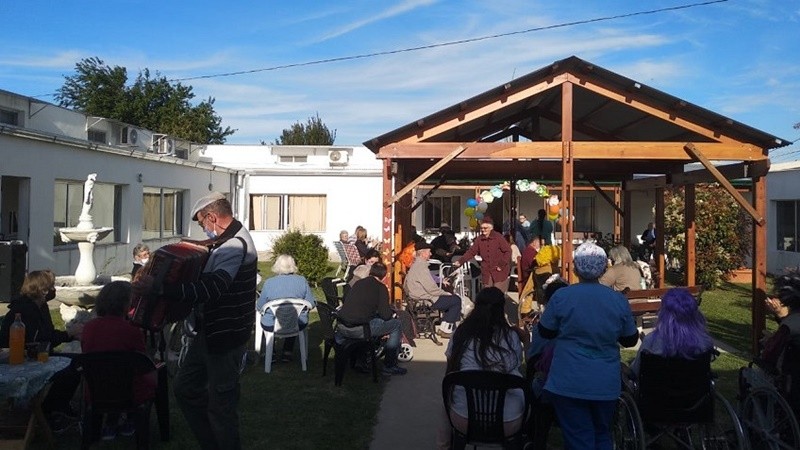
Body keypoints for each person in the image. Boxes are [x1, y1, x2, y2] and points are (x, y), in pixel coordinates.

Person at [133, 191, 257, 450]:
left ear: (212, 217)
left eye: (202, 223)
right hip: (209, 333)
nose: (203, 229)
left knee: (221, 407)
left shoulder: (235, 245)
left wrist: (160, 288)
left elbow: (213, 288)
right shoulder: (227, 239)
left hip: (225, 337)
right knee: (185, 389)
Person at [537, 242, 639, 449]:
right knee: (603, 433)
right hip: (605, 381)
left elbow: (545, 331)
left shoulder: (562, 296)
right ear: (603, 269)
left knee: (578, 436)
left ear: (575, 269)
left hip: (569, 379)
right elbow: (630, 339)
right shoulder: (617, 300)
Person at [436, 287, 527, 450]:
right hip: (507, 422)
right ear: (502, 309)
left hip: (463, 419)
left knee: (447, 394)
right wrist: (526, 341)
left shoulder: (461, 334)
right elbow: (520, 369)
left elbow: (449, 374)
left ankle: (444, 446)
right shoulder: (511, 337)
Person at [0, 270, 82, 431]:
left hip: (38, 353)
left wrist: (70, 335)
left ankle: (57, 407)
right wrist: (69, 334)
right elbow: (42, 340)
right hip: (22, 357)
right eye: (51, 287)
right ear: (43, 290)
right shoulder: (25, 310)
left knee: (77, 361)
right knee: (70, 369)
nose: (54, 290)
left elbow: (48, 335)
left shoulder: (41, 306)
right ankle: (48, 411)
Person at [81, 280, 156, 440]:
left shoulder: (88, 329)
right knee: (147, 374)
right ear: (126, 304)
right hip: (129, 393)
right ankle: (130, 420)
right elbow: (142, 364)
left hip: (96, 390)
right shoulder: (132, 331)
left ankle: (110, 423)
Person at [336, 262, 408, 376]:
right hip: (360, 329)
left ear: (370, 272)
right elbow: (385, 315)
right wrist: (392, 312)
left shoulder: (358, 283)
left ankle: (363, 360)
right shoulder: (381, 287)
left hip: (342, 326)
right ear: (384, 276)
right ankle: (389, 365)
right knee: (396, 324)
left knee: (374, 320)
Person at [628, 287, 714, 376]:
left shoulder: (651, 341)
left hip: (658, 384)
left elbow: (635, 370)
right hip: (695, 384)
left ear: (663, 314)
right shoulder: (705, 342)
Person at [257, 254, 317, 362]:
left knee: (271, 317)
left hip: (272, 324)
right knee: (294, 315)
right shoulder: (302, 281)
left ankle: (271, 352)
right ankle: (287, 352)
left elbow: (260, 306)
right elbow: (311, 303)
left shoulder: (269, 283)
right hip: (297, 324)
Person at [404, 241, 462, 337]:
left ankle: (445, 327)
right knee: (456, 300)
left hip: (417, 297)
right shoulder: (421, 267)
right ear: (422, 253)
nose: (431, 254)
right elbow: (431, 288)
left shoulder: (415, 265)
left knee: (451, 300)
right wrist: (444, 293)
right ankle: (446, 329)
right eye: (429, 252)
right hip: (424, 300)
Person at [454, 217, 512, 293]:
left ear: (491, 228)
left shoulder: (498, 237)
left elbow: (508, 251)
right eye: (481, 228)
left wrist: (501, 264)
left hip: (499, 271)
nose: (483, 230)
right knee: (487, 294)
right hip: (486, 271)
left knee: (498, 294)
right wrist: (460, 261)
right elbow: (471, 252)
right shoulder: (479, 239)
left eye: (485, 228)